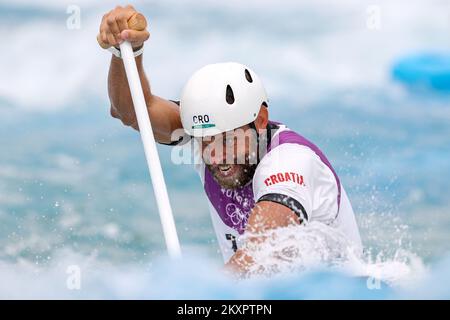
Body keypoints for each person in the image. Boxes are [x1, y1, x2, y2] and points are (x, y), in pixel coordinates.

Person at [98, 5, 362, 275]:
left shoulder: (291, 162)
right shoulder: (208, 134)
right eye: (204, 140)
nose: (215, 156)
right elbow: (130, 112)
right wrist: (124, 52)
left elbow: (258, 254)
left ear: (260, 120)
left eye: (228, 140)